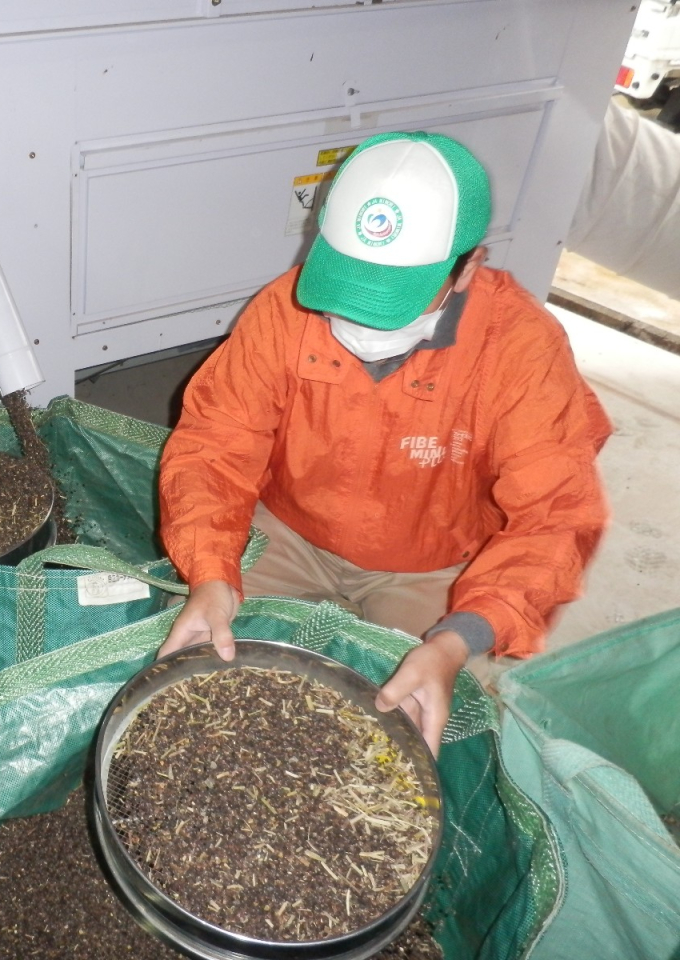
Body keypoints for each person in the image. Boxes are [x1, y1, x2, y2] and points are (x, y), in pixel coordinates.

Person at [157, 131, 611, 754]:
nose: (362, 325)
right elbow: (215, 441)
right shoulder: (281, 310)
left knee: (401, 729)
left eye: (391, 299)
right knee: (199, 672)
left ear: (469, 266)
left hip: (434, 566)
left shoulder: (521, 349)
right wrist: (211, 571)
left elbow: (555, 517)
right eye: (350, 290)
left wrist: (459, 639)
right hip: (292, 534)